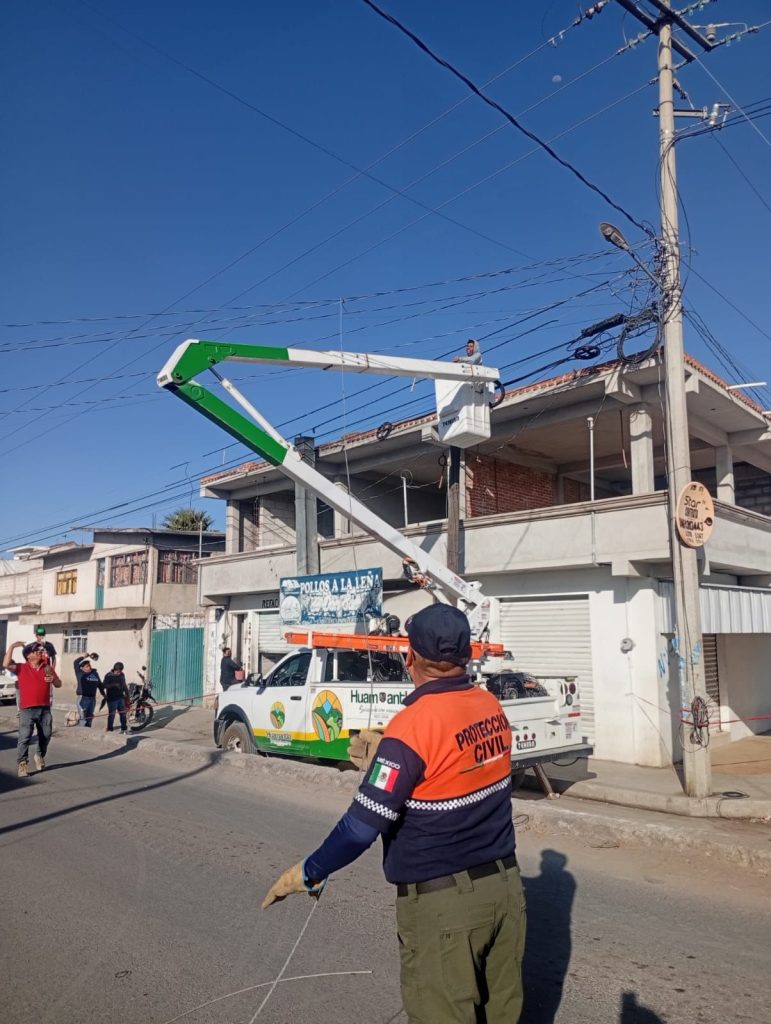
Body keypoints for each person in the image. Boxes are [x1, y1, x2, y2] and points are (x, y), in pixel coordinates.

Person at [262, 604, 526, 1024]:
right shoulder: (490, 706)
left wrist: (310, 871)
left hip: (445, 907)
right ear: (466, 654)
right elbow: (454, 767)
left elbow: (359, 829)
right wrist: (391, 757)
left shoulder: (411, 729)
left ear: (410, 656)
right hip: (505, 889)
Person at [3, 640, 62, 778]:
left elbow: (59, 684)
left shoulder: (47, 668)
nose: (40, 652)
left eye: (41, 650)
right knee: (25, 737)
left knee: (46, 735)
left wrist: (53, 680)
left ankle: (39, 755)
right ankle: (22, 763)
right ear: (29, 655)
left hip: (44, 709)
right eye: (37, 651)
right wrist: (12, 647)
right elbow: (5, 664)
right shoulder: (21, 668)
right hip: (27, 710)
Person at [74, 655, 103, 727]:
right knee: (83, 718)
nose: (89, 667)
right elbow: (76, 662)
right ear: (82, 668)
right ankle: (81, 731)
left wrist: (104, 694)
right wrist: (84, 656)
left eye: (89, 665)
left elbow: (100, 685)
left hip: (92, 699)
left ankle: (87, 730)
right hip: (83, 698)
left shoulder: (95, 674)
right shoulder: (80, 673)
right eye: (87, 666)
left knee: (90, 717)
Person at [102, 661, 130, 734]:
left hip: (121, 698)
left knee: (123, 714)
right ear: (114, 669)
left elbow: (124, 685)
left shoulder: (122, 675)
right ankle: (110, 729)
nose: (119, 673)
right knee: (112, 715)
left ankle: (124, 729)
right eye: (117, 671)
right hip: (112, 699)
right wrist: (114, 685)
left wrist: (128, 695)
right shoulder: (108, 675)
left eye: (120, 671)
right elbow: (104, 686)